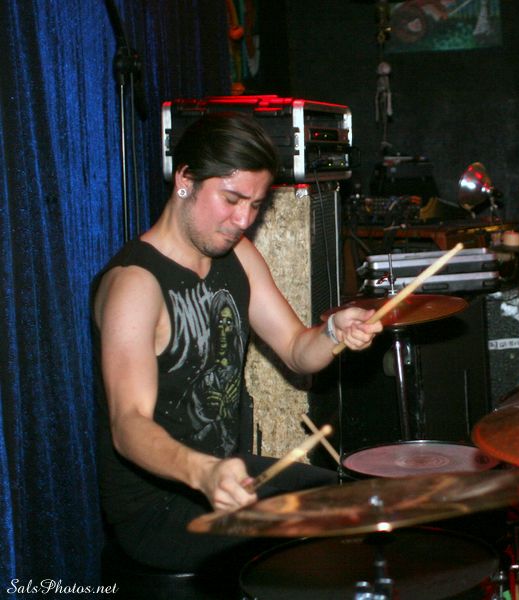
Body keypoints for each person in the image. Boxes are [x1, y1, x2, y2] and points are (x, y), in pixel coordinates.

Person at [91, 113, 383, 581]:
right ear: (185, 179)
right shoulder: (135, 285)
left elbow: (295, 349)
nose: (243, 220)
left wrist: (332, 333)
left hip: (229, 475)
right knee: (323, 543)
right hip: (160, 508)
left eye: (255, 205)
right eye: (231, 199)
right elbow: (129, 425)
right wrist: (204, 473)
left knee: (359, 502)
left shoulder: (237, 254)